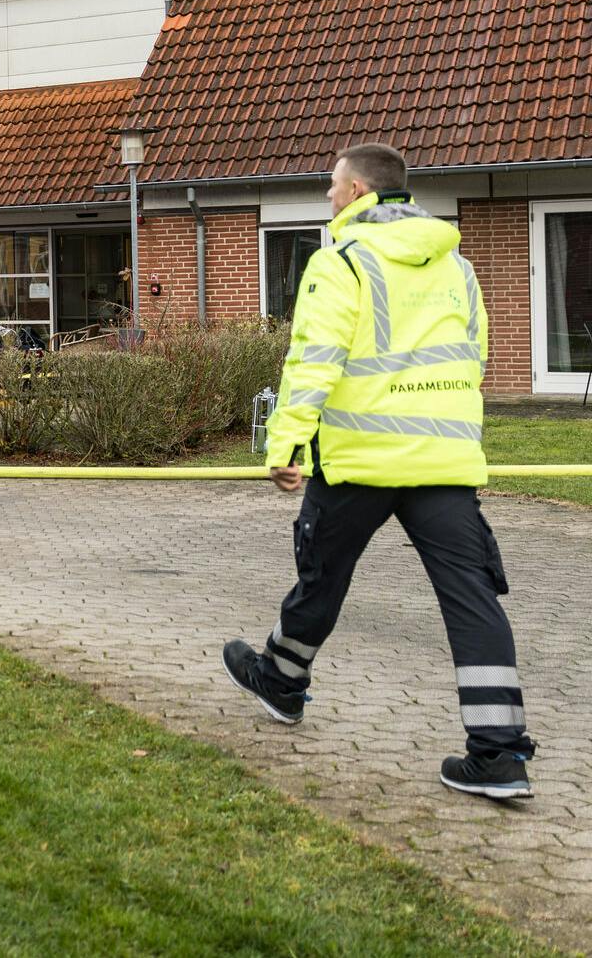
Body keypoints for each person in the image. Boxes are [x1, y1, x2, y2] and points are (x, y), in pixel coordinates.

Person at [223, 142, 536, 800]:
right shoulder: (457, 265)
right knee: (471, 596)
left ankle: (282, 680)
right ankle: (500, 755)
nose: (329, 199)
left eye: (334, 188)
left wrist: (285, 443)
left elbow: (314, 360)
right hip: (442, 459)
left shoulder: (339, 262)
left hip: (361, 457)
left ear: (361, 190)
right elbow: (474, 355)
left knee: (323, 574)